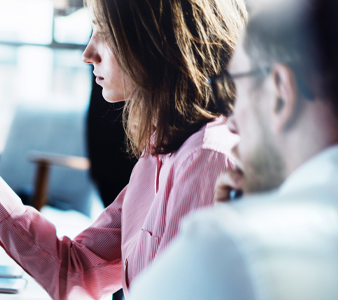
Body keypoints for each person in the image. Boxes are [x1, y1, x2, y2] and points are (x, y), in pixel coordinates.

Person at [0, 0, 247, 298]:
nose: (88, 53)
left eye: (104, 33)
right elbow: (78, 270)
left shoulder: (208, 157)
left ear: (155, 43)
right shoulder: (162, 152)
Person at [128, 0, 338, 299]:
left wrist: (231, 228)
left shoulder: (228, 250)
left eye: (236, 89)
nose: (232, 122)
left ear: (279, 94)